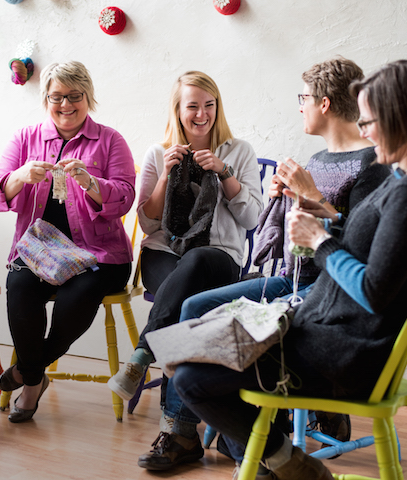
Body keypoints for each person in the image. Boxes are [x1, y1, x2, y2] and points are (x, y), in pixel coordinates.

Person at [170, 59, 407, 480]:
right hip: (323, 326)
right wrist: (325, 221)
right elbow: (368, 248)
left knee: (189, 373)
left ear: (400, 118)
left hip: (343, 350)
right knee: (180, 347)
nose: (364, 129)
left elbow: (375, 290)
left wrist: (319, 241)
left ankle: (283, 464)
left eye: (370, 120)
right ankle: (284, 461)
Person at [107, 71, 264, 469]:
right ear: (178, 110)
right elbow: (149, 224)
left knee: (195, 268)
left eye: (209, 104)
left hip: (218, 257)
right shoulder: (158, 153)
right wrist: (164, 177)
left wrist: (224, 173)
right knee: (188, 307)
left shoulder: (239, 151)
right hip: (164, 254)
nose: (201, 114)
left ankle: (143, 356)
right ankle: (178, 430)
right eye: (192, 105)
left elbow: (251, 219)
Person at [0, 61, 136, 423]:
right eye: (57, 97)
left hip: (99, 254)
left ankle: (27, 374)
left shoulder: (110, 139)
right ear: (45, 99)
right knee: (19, 287)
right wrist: (21, 176)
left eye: (75, 96)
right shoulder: (25, 138)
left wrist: (91, 183)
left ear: (88, 97)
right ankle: (35, 377)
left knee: (79, 295)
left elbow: (127, 197)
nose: (66, 105)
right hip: (39, 250)